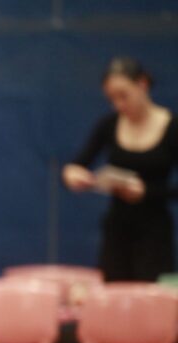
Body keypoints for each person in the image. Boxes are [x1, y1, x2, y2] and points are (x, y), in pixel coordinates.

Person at [62, 56, 178, 282]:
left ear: (142, 84)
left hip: (155, 234)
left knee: (149, 297)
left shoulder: (172, 127)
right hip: (117, 231)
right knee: (113, 294)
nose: (118, 105)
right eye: (112, 99)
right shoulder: (108, 124)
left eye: (124, 96)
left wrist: (147, 192)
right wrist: (73, 175)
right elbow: (77, 165)